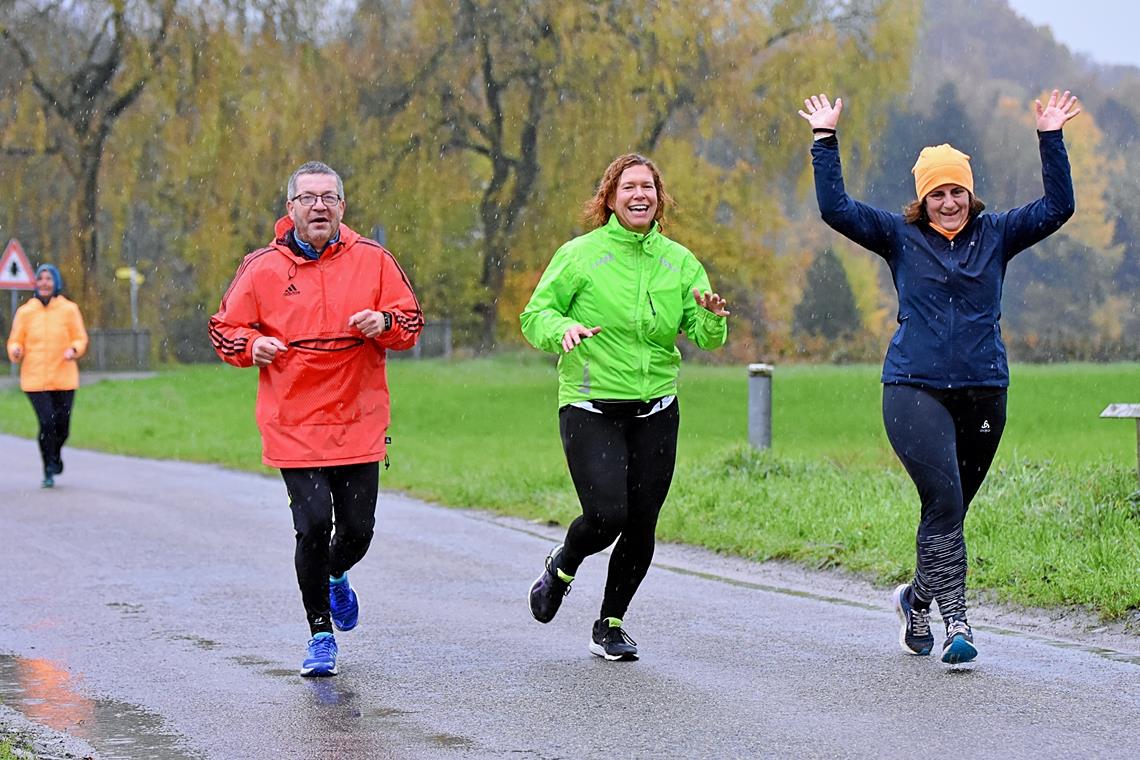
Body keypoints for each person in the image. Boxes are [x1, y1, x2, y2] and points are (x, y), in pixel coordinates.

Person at [798, 90, 1080, 664]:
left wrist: (1050, 138)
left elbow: (1058, 208)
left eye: (956, 192)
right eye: (937, 194)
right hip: (913, 388)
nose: (948, 203)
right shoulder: (900, 238)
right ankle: (957, 623)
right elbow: (837, 210)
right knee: (945, 498)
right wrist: (824, 140)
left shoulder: (997, 233)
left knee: (946, 512)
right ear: (921, 199)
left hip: (984, 391)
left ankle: (915, 597)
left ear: (969, 195)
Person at [208, 161, 423, 677]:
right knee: (311, 526)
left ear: (342, 207)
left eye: (328, 197)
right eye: (308, 198)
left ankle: (336, 574)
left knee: (357, 531)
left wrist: (384, 322)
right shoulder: (261, 267)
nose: (319, 206)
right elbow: (223, 329)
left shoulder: (374, 261)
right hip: (294, 419)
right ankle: (320, 634)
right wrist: (251, 343)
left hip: (358, 416)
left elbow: (412, 323)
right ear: (291, 209)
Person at [520, 153, 729, 661]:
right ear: (610, 198)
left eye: (649, 188)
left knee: (641, 523)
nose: (640, 195)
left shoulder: (679, 262)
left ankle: (610, 623)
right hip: (591, 404)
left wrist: (713, 318)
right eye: (629, 187)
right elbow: (535, 314)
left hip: (656, 408)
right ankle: (563, 565)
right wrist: (560, 329)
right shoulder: (580, 255)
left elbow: (705, 337)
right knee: (606, 514)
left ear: (659, 199)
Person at [6, 264, 88, 489]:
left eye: (48, 279)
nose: (44, 283)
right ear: (35, 283)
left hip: (64, 377)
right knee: (46, 423)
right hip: (35, 380)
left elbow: (80, 338)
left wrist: (74, 349)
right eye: (40, 278)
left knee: (63, 427)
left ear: (56, 283)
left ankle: (56, 454)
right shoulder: (25, 312)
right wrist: (15, 350)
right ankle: (48, 468)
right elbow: (15, 340)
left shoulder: (69, 309)